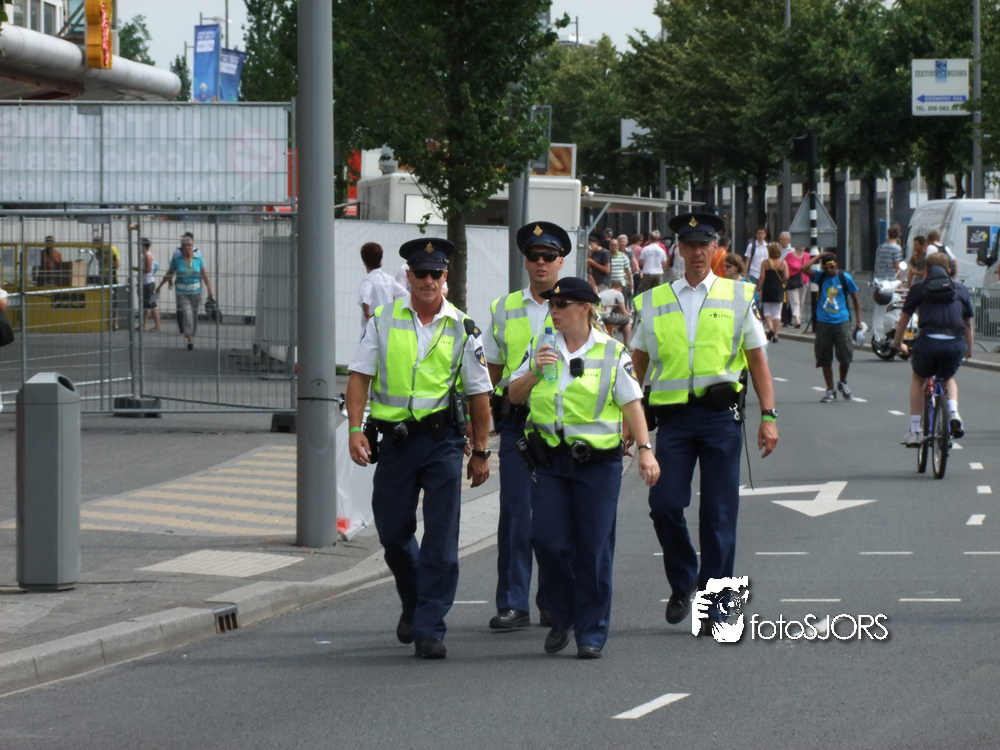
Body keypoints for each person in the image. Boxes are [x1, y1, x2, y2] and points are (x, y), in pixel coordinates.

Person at [630, 212, 777, 634]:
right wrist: (628, 422)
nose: (697, 252)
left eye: (704, 245)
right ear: (678, 249)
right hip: (674, 420)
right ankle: (683, 583)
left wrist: (769, 416)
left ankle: (718, 607)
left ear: (715, 248)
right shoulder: (654, 301)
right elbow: (636, 366)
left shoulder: (737, 295)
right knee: (664, 505)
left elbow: (757, 361)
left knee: (719, 513)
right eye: (689, 245)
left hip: (720, 418)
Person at [346, 237, 492, 660]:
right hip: (395, 442)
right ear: (407, 276)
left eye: (436, 274)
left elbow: (479, 393)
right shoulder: (383, 320)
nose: (428, 281)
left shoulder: (462, 327)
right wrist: (355, 428)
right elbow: (359, 377)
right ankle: (413, 600)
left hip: (442, 442)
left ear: (446, 276)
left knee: (441, 538)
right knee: (393, 533)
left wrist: (481, 451)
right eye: (421, 273)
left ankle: (429, 627)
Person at [508, 276, 658, 658]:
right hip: (550, 460)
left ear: (585, 308)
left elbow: (632, 403)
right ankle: (563, 614)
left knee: (593, 548)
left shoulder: (612, 352)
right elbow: (514, 395)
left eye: (562, 305)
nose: (554, 311)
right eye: (551, 304)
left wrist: (645, 449)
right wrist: (535, 372)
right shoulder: (541, 346)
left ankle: (591, 632)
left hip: (598, 464)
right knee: (546, 540)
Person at [484, 220, 570, 631]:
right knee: (516, 513)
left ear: (561, 261)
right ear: (525, 261)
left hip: (561, 426)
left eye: (549, 256)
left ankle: (553, 600)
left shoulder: (578, 303)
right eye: (534, 256)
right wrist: (482, 425)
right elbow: (490, 371)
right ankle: (513, 603)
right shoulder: (503, 308)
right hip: (517, 425)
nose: (541, 263)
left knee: (554, 519)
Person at [893, 253, 974, 446]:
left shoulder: (919, 288)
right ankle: (953, 412)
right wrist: (969, 349)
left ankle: (915, 431)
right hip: (954, 343)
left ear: (926, 271)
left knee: (918, 378)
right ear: (948, 270)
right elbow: (968, 325)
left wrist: (897, 344)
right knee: (948, 378)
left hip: (928, 342)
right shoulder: (960, 289)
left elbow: (904, 319)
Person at [803, 252, 862, 402]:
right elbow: (804, 268)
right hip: (823, 321)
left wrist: (859, 322)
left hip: (841, 320)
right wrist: (819, 256)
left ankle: (843, 381)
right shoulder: (820, 277)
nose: (830, 270)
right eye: (826, 267)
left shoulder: (844, 278)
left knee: (845, 353)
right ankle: (830, 390)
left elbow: (855, 299)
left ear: (837, 265)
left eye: (832, 266)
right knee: (824, 356)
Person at [157, 234, 214, 350]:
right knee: (187, 313)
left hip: (195, 291)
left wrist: (209, 289)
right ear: (182, 247)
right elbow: (170, 273)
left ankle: (191, 334)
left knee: (194, 314)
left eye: (189, 245)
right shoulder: (177, 259)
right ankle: (189, 339)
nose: (187, 247)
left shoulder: (198, 258)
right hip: (182, 292)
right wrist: (161, 285)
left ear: (192, 246)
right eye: (185, 246)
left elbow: (204, 274)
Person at [357, 241, 407, 338]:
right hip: (387, 327)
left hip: (370, 329)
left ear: (364, 260)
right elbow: (405, 295)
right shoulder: (389, 279)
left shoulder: (368, 280)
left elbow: (365, 298)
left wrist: (367, 315)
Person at [872, 224, 904, 344]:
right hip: (891, 282)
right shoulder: (896, 249)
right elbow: (897, 266)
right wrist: (900, 283)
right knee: (894, 307)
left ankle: (878, 334)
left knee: (879, 310)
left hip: (880, 282)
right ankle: (891, 332)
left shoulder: (880, 247)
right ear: (898, 235)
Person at [756, 242, 788, 342]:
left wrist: (759, 289)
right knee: (777, 314)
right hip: (778, 289)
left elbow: (762, 277)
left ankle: (770, 329)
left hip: (768, 289)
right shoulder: (783, 263)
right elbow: (786, 276)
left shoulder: (765, 263)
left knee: (767, 312)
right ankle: (776, 336)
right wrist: (781, 280)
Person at [92, 235, 122, 331]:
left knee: (113, 301)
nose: (96, 248)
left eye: (96, 246)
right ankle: (104, 321)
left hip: (111, 278)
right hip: (102, 278)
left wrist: (110, 274)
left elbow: (117, 263)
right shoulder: (98, 252)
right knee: (103, 300)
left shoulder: (111, 249)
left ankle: (115, 323)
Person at [133, 238, 161, 332]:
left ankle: (157, 325)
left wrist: (136, 269)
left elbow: (148, 269)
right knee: (146, 306)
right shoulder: (144, 256)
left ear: (143, 246)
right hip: (145, 283)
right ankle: (143, 325)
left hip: (148, 283)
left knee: (152, 305)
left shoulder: (147, 256)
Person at [599, 280, 632, 347]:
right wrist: (630, 314)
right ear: (619, 288)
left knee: (612, 316)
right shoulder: (618, 294)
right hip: (606, 318)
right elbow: (624, 312)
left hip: (597, 318)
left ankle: (613, 340)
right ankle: (627, 345)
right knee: (628, 320)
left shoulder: (602, 292)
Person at [783, 246, 808, 328]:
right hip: (792, 281)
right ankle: (797, 319)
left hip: (804, 281)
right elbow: (784, 266)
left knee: (801, 301)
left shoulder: (807, 255)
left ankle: (798, 318)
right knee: (795, 301)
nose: (802, 247)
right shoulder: (790, 255)